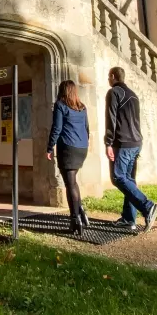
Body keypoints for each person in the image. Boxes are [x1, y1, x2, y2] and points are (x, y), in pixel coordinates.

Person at [105, 67, 157, 233]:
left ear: (113, 76)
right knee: (129, 179)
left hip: (123, 142)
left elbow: (111, 117)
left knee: (118, 177)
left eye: (109, 77)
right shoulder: (133, 95)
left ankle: (148, 206)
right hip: (136, 142)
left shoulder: (114, 92)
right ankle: (129, 219)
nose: (108, 80)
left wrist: (108, 142)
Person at [47, 80, 91, 236]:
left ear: (62, 91)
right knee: (73, 181)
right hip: (82, 147)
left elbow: (57, 128)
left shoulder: (60, 105)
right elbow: (87, 128)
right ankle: (81, 212)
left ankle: (75, 219)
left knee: (69, 183)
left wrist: (49, 146)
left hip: (68, 147)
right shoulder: (82, 107)